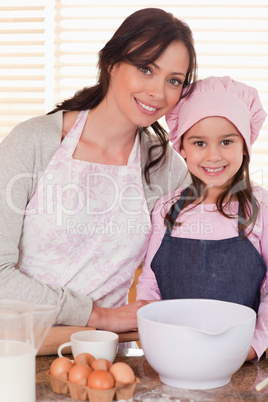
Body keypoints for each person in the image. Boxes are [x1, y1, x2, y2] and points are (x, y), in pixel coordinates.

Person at [0, 8, 197, 332]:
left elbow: (202, 252)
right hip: (18, 348)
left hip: (104, 357)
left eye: (173, 80)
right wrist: (97, 316)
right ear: (111, 62)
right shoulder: (33, 143)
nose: (158, 93)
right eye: (146, 68)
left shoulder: (164, 170)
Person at [137, 76, 268, 361]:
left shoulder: (261, 207)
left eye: (226, 141)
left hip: (238, 356)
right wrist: (156, 340)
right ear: (181, 147)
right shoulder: (166, 209)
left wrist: (254, 345)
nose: (213, 155)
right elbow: (150, 284)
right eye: (199, 143)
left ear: (244, 145)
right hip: (175, 352)